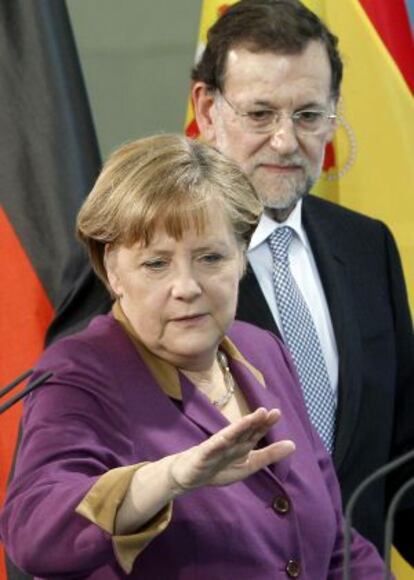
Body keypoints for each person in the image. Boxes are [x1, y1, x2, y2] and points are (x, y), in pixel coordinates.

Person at [43, 0, 413, 563]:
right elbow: (58, 505)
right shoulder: (134, 260)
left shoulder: (367, 247)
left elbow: (399, 459)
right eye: (260, 114)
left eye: (309, 115)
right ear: (207, 108)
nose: (287, 141)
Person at [0, 134, 387, 578]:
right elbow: (33, 532)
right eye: (156, 264)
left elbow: (334, 544)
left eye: (209, 257)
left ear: (242, 257)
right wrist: (169, 479)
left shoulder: (262, 349)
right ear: (113, 269)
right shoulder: (78, 373)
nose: (186, 286)